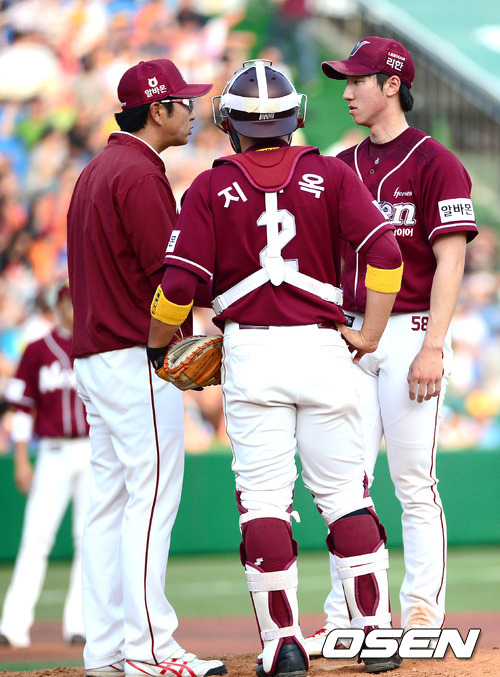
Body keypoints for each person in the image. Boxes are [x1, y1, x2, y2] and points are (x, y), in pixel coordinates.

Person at [147, 59, 405, 676]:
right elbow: (387, 254)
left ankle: (283, 645)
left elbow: (177, 288)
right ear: (294, 118)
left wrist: (159, 348)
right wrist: (370, 334)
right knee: (345, 497)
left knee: (263, 504)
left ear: (231, 123)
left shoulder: (209, 187)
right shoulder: (331, 173)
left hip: (252, 353)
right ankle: (375, 635)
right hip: (323, 349)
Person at [304, 37, 479, 657]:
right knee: (345, 484)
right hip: (351, 332)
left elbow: (450, 260)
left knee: (412, 480)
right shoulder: (340, 164)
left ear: (392, 84)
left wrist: (434, 346)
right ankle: (347, 614)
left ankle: (423, 610)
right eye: (346, 81)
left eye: (358, 81)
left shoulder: (437, 162)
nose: (348, 92)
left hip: (409, 331)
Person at [66, 59, 226, 677]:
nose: (192, 111)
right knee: (152, 499)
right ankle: (150, 649)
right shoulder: (138, 172)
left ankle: (106, 651)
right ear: (157, 110)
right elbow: (173, 278)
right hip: (136, 356)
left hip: (96, 358)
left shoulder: (96, 170)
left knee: (110, 505)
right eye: (183, 102)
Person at [0, 281, 89, 648]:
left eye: (76, 300)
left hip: (91, 450)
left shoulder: (96, 344)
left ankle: (80, 624)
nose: (72, 307)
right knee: (36, 538)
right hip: (52, 452)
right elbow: (21, 407)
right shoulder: (37, 349)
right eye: (66, 301)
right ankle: (12, 626)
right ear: (57, 306)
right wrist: (21, 458)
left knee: (88, 539)